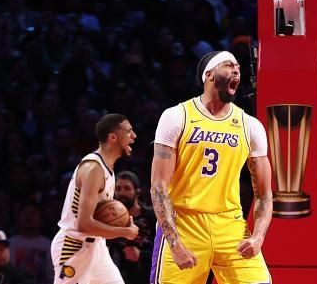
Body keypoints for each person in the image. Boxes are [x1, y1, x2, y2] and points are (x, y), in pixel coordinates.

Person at [150, 51, 273, 284]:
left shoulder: (251, 126)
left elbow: (265, 195)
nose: (237, 70)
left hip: (230, 225)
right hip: (185, 223)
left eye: (238, 66)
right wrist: (174, 243)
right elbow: (158, 187)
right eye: (228, 65)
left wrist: (258, 237)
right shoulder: (177, 116)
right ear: (209, 74)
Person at [51, 113, 139, 284]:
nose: (134, 136)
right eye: (129, 131)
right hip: (74, 247)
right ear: (113, 137)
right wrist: (124, 232)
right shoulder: (93, 169)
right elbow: (83, 224)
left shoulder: (107, 168)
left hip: (97, 247)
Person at [109, 170, 156, 284]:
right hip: (116, 276)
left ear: (137, 192)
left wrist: (141, 255)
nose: (122, 193)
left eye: (127, 188)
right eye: (118, 189)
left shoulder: (152, 217)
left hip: (146, 276)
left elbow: (163, 252)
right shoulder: (109, 218)